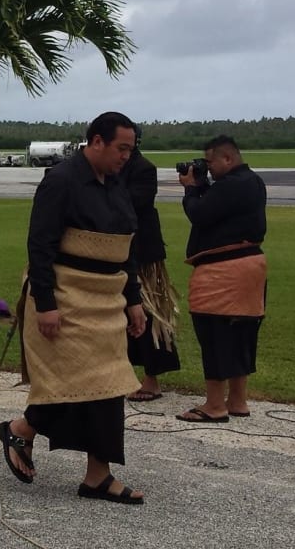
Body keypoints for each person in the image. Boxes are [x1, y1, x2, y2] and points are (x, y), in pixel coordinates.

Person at [0, 111, 147, 504]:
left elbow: (125, 250)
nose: (126, 157)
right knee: (76, 386)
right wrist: (45, 303)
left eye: (131, 150)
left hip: (107, 301)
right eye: (121, 148)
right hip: (67, 298)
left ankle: (93, 473)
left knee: (109, 386)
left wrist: (134, 300)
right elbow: (41, 244)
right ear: (96, 141)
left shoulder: (117, 185)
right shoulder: (61, 181)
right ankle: (25, 430)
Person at [176, 135, 267, 423]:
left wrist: (191, 190)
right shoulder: (250, 182)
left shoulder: (233, 185)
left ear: (227, 159)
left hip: (223, 271)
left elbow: (200, 214)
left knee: (213, 331)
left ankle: (215, 404)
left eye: (211, 162)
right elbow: (217, 210)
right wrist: (203, 186)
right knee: (242, 334)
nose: (208, 168)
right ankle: (237, 400)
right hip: (249, 267)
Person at [119, 129, 180, 401]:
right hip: (117, 252)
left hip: (141, 255)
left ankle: (151, 378)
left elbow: (131, 204)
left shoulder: (144, 169)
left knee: (147, 313)